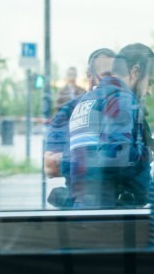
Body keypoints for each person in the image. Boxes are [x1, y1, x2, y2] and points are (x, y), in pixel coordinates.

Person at [68, 43, 154, 209]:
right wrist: (149, 152)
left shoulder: (87, 101)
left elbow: (67, 163)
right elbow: (117, 159)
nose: (150, 91)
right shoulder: (122, 100)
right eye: (150, 82)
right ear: (135, 72)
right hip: (110, 213)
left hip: (84, 207)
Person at [43, 47, 115, 208]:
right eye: (106, 76)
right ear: (90, 77)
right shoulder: (69, 110)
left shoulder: (124, 109)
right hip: (85, 205)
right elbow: (49, 166)